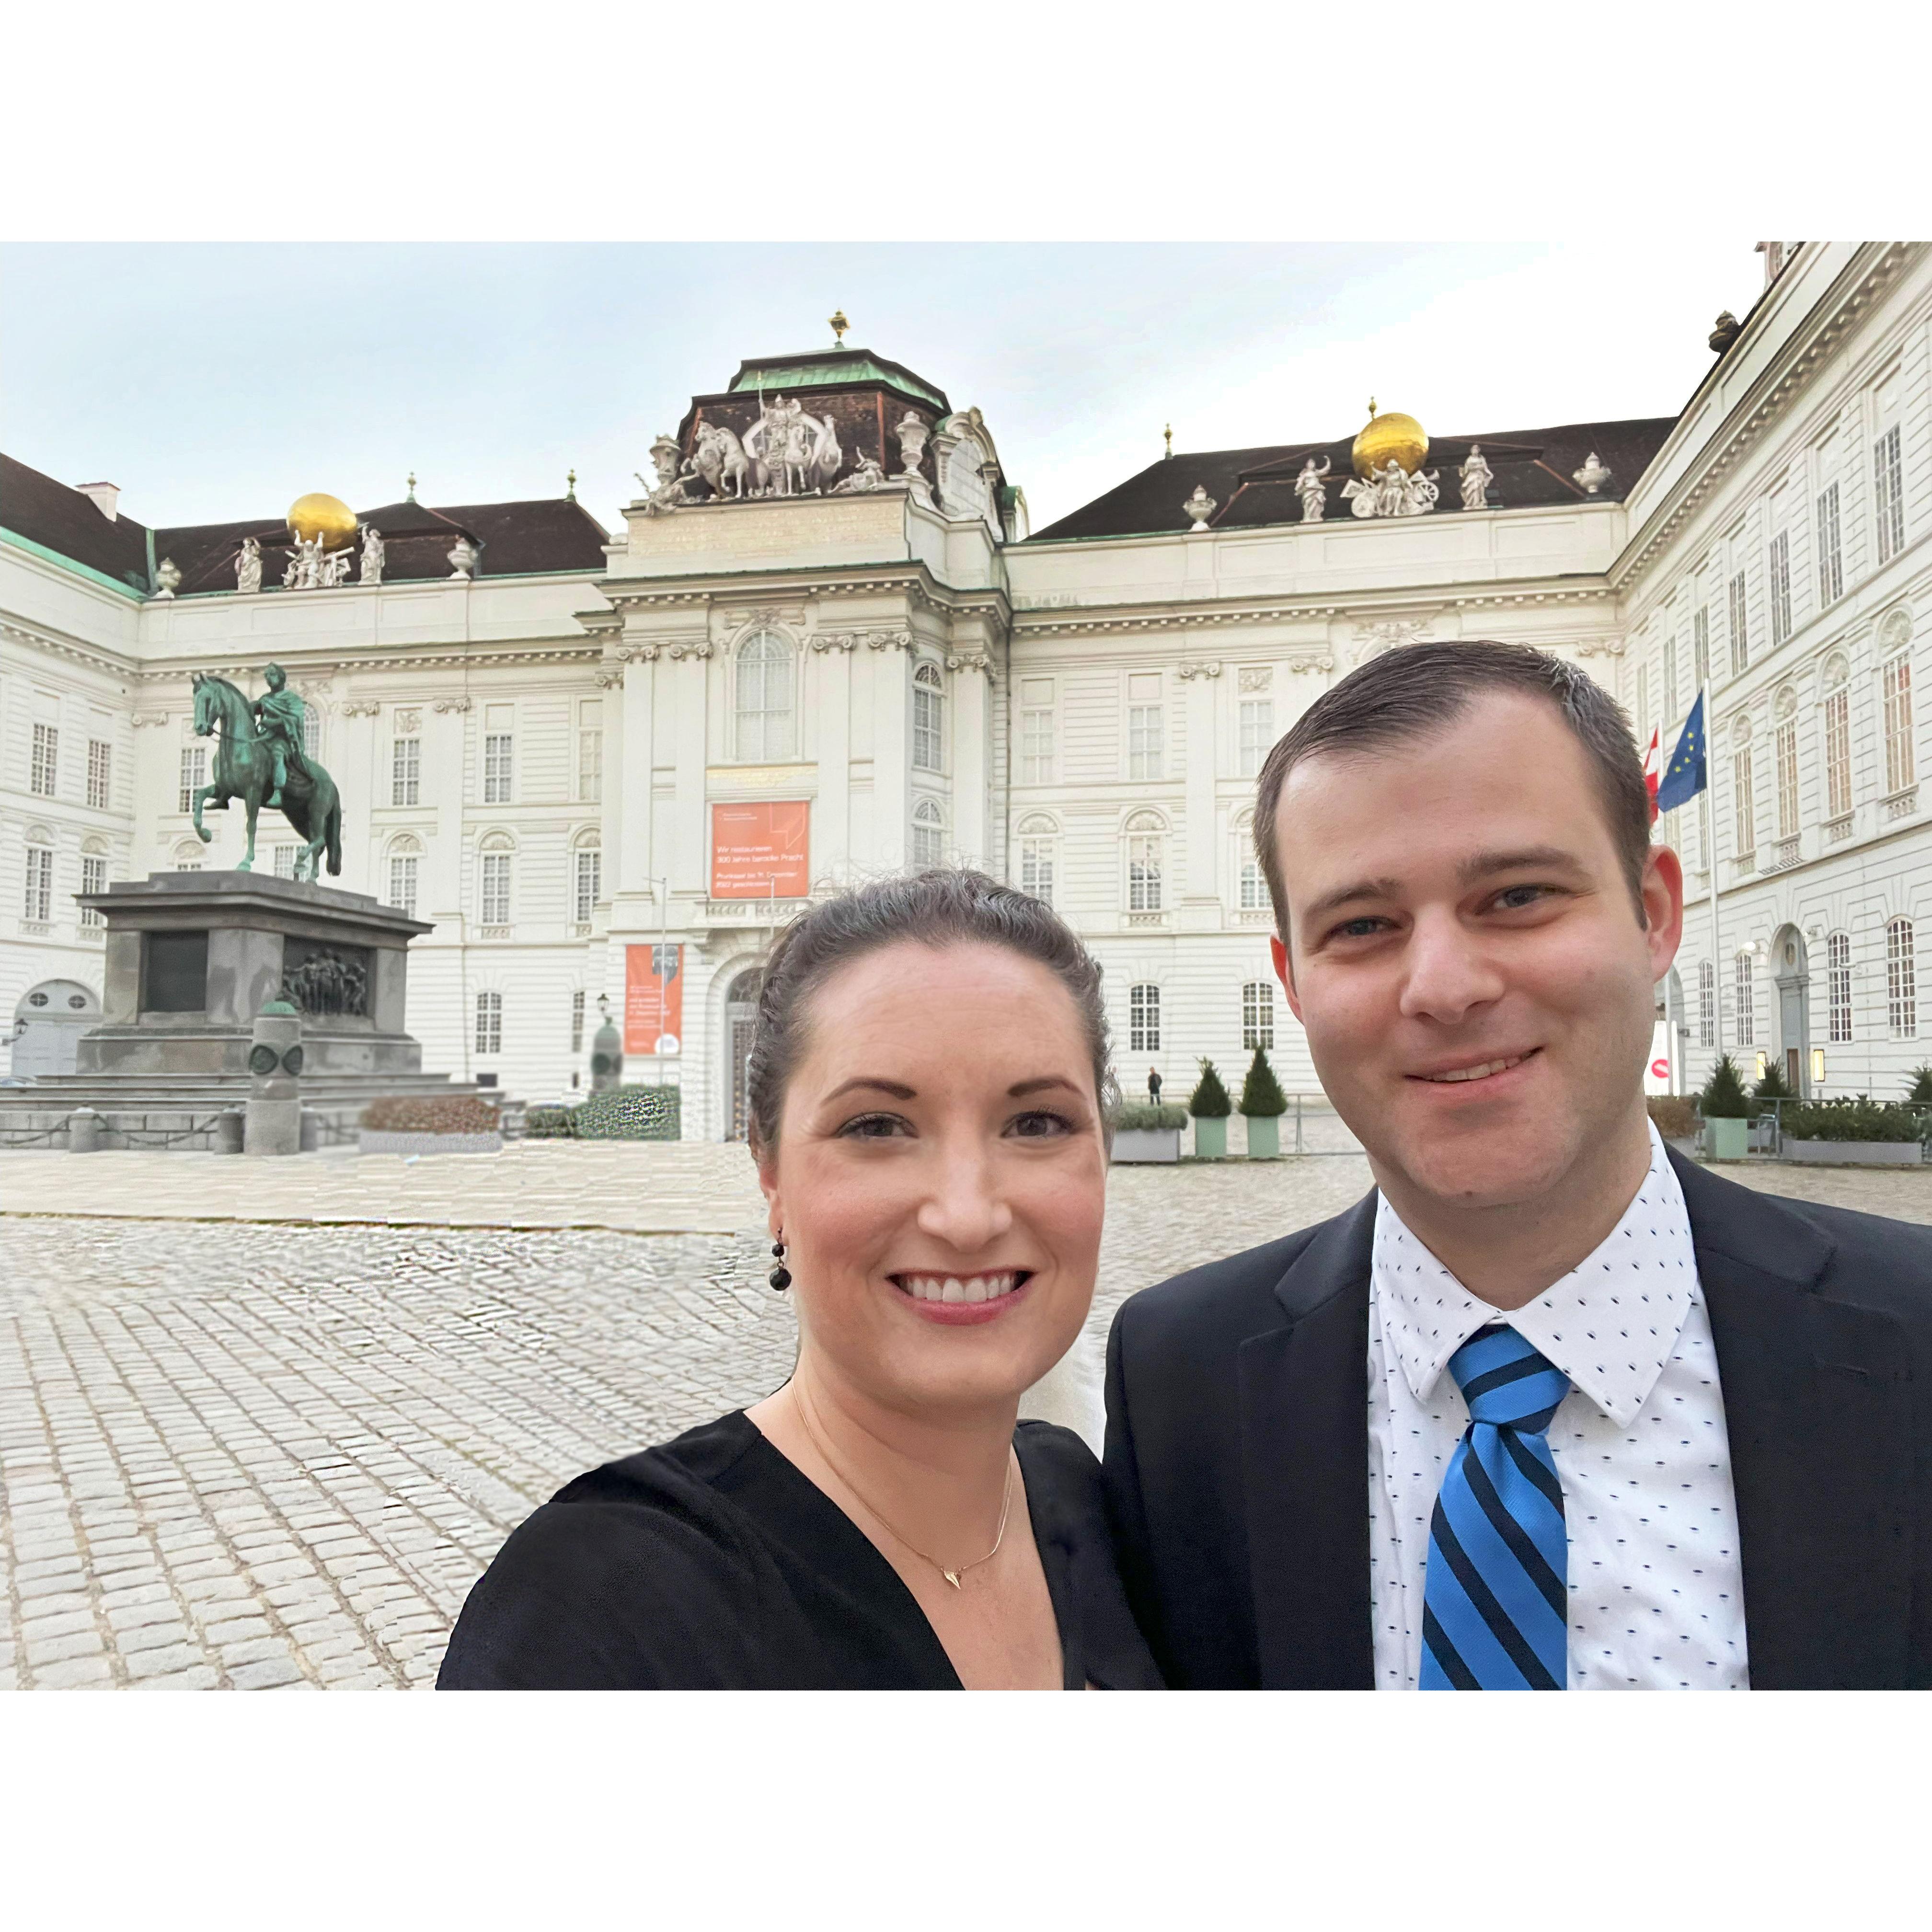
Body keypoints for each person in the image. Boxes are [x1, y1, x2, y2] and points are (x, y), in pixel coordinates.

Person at [1104, 640, 1932, 1689]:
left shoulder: (1917, 1334)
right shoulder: (1180, 1381)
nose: (1443, 987)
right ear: (1296, 983)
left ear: (1653, 914)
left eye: (1518, 897)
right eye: (1363, 926)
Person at [440, 870, 1159, 1689]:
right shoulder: (602, 1606)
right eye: (876, 1126)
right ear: (769, 1169)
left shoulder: (1087, 1507)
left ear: (1102, 1154)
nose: (967, 1216)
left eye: (1037, 1123)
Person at [253, 662, 306, 809]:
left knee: (278, 753)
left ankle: (278, 792)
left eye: (272, 675)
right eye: (267, 676)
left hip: (283, 739)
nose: (269, 678)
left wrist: (274, 723)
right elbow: (255, 709)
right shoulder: (265, 699)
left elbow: (295, 719)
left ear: (281, 678)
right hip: (264, 736)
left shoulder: (292, 698)